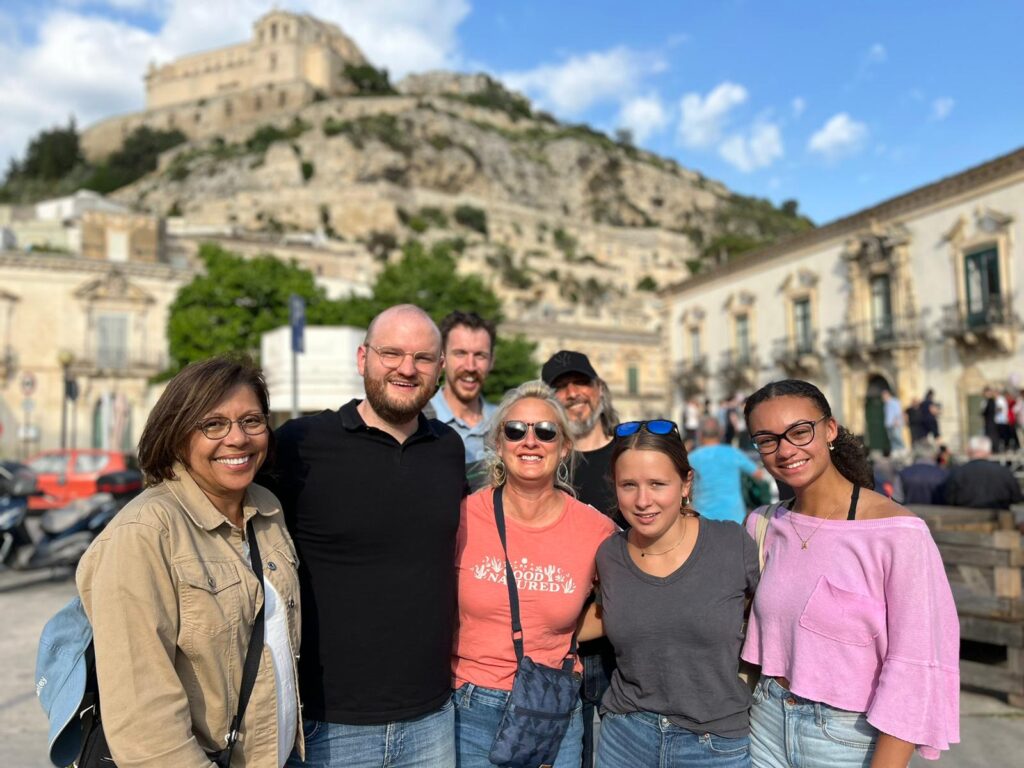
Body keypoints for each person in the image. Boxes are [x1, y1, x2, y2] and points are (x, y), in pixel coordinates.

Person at [264, 304, 466, 768]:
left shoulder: (448, 449)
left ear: (439, 370)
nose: (406, 368)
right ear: (362, 358)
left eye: (422, 357)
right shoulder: (301, 443)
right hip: (327, 725)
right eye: (391, 353)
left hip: (432, 720)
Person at [76, 356, 302, 767]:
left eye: (251, 420)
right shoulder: (144, 534)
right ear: (178, 434)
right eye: (213, 424)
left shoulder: (266, 509)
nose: (237, 439)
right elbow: (144, 719)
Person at [741, 379, 959, 766]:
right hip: (764, 726)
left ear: (829, 430)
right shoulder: (762, 525)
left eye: (799, 431)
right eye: (767, 439)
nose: (786, 449)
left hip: (847, 739)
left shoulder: (897, 533)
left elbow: (914, 668)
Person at [452, 380, 617, 768]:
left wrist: (559, 632)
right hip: (469, 707)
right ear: (497, 441)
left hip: (551, 710)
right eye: (515, 430)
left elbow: (624, 601)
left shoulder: (595, 529)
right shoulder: (460, 518)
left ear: (564, 447)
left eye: (545, 432)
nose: (530, 441)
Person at [587, 419, 758, 767]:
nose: (643, 500)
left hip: (716, 747)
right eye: (629, 485)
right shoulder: (609, 554)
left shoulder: (731, 544)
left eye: (657, 484)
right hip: (625, 739)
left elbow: (772, 621)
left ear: (685, 483)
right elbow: (602, 619)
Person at [541, 349, 621, 767]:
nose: (573, 393)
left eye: (581, 383)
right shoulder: (541, 463)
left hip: (618, 650)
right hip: (554, 651)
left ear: (599, 390)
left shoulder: (630, 453)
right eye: (560, 387)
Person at [425, 311, 499, 491]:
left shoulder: (505, 425)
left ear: (491, 361)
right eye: (460, 353)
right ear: (442, 359)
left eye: (480, 355)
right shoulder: (416, 422)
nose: (470, 366)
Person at [689, 415, 764, 523]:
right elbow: (758, 474)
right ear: (721, 433)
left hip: (703, 520)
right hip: (735, 518)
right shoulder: (732, 453)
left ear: (700, 434)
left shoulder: (692, 458)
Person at [944, 436, 1023, 510]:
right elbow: (1016, 498)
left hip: (964, 521)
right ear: (989, 451)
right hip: (999, 520)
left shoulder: (957, 473)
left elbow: (948, 499)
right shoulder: (1004, 472)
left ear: (969, 451)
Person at [881, 389, 905, 455]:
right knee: (891, 439)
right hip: (889, 425)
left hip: (895, 424)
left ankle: (902, 450)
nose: (883, 397)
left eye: (884, 395)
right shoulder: (885, 404)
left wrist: (897, 421)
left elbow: (898, 412)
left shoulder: (894, 402)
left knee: (897, 437)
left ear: (888, 395)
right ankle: (895, 452)